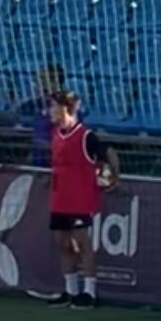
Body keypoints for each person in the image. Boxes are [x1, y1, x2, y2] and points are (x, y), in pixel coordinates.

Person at [39, 90, 116, 307]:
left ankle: (89, 293)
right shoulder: (56, 134)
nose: (50, 111)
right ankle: (70, 290)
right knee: (62, 243)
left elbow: (108, 154)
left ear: (67, 109)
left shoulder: (86, 136)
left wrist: (112, 178)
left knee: (82, 242)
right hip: (60, 196)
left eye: (54, 106)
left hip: (80, 198)